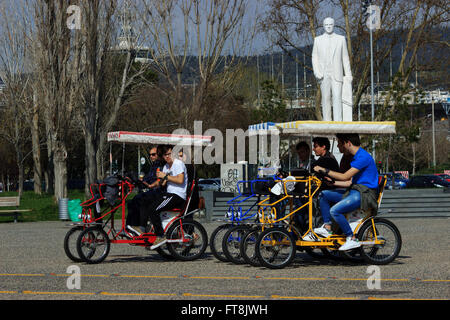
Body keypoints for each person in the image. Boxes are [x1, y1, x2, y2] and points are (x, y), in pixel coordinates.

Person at [312, 133, 379, 251]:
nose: (337, 146)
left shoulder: (363, 157)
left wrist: (324, 170)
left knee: (334, 210)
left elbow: (344, 176)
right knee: (324, 195)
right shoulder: (356, 157)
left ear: (348, 143)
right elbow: (349, 182)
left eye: (339, 143)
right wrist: (333, 183)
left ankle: (351, 238)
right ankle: (327, 227)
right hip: (354, 191)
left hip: (365, 194)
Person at [139, 145, 188, 249]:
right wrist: (159, 180)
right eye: (165, 155)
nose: (167, 157)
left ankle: (160, 235)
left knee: (153, 209)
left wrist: (165, 176)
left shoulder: (178, 164)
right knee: (146, 201)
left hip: (177, 195)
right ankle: (143, 229)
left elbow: (180, 180)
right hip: (169, 194)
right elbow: (163, 183)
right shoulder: (166, 166)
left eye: (169, 154)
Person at [312, 17, 352, 121]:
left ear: (333, 25)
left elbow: (345, 57)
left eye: (330, 25)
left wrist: (348, 74)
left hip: (337, 73)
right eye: (326, 25)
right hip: (324, 74)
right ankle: (327, 121)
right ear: (323, 26)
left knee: (337, 97)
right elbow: (314, 57)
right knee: (325, 98)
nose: (328, 27)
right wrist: (317, 72)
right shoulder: (318, 40)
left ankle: (338, 121)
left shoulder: (341, 39)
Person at [126, 146, 165, 235]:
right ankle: (130, 227)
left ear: (159, 154)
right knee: (131, 202)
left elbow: (160, 180)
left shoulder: (161, 166)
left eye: (153, 154)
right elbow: (147, 178)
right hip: (150, 190)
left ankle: (141, 227)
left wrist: (149, 185)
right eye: (150, 154)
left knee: (141, 199)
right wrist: (138, 181)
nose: (151, 156)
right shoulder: (153, 166)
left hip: (158, 191)